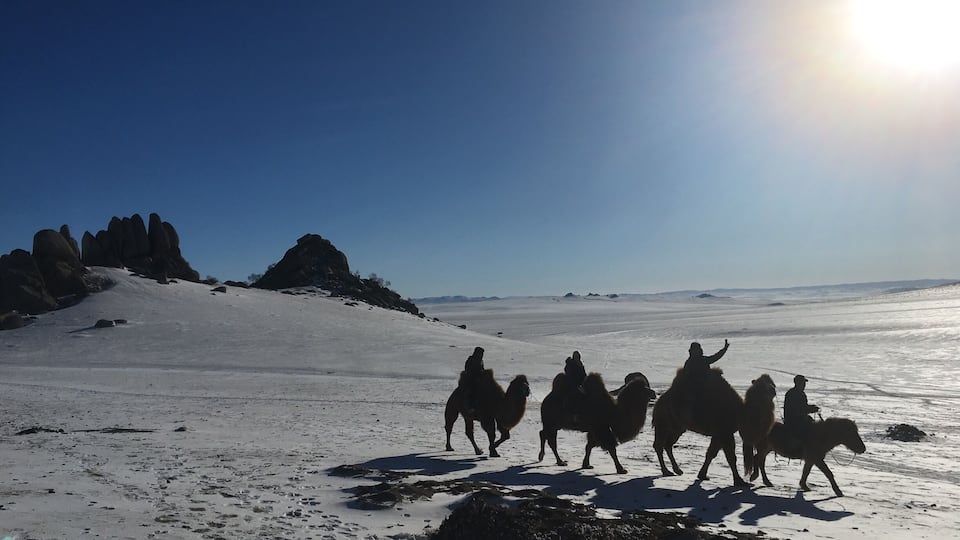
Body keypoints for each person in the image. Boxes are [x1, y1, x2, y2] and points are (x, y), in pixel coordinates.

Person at [783, 374, 819, 442]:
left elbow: (803, 406)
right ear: (798, 383)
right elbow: (795, 410)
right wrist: (810, 410)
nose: (804, 385)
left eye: (804, 383)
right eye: (803, 383)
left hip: (801, 419)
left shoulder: (802, 394)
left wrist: (811, 407)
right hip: (793, 421)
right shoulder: (791, 394)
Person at [459, 347, 485, 414]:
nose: (481, 355)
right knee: (473, 390)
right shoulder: (470, 360)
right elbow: (467, 369)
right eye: (480, 353)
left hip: (479, 379)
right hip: (471, 380)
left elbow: (482, 369)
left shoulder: (481, 361)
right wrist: (476, 375)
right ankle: (471, 406)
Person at [563, 351, 587, 417]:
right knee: (576, 397)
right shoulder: (570, 365)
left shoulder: (580, 364)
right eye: (576, 356)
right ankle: (574, 414)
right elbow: (570, 377)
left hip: (580, 385)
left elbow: (583, 375)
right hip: (572, 386)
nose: (577, 358)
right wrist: (577, 386)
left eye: (578, 356)